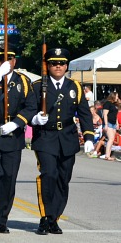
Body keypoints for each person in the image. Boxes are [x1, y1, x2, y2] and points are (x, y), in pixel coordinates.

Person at [30, 47, 94, 235]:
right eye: (54, 63)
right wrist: (34, 119)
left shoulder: (74, 87)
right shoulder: (37, 86)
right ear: (47, 65)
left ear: (66, 66)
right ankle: (44, 216)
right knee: (48, 174)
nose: (58, 66)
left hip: (67, 138)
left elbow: (84, 114)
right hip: (45, 137)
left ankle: (54, 218)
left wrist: (89, 136)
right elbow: (28, 110)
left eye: (62, 63)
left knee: (62, 180)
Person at [0, 44, 37, 234]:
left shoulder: (23, 81)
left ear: (14, 60)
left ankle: (3, 219)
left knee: (9, 177)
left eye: (9, 59)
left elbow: (30, 106)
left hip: (14, 132)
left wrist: (17, 122)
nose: (6, 62)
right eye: (1, 59)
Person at [100, 92, 120, 161]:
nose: (117, 98)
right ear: (113, 96)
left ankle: (108, 154)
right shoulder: (107, 103)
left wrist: (117, 123)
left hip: (114, 123)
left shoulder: (114, 105)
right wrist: (106, 124)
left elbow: (115, 115)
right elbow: (105, 114)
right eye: (116, 96)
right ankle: (107, 155)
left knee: (111, 140)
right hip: (108, 123)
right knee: (111, 139)